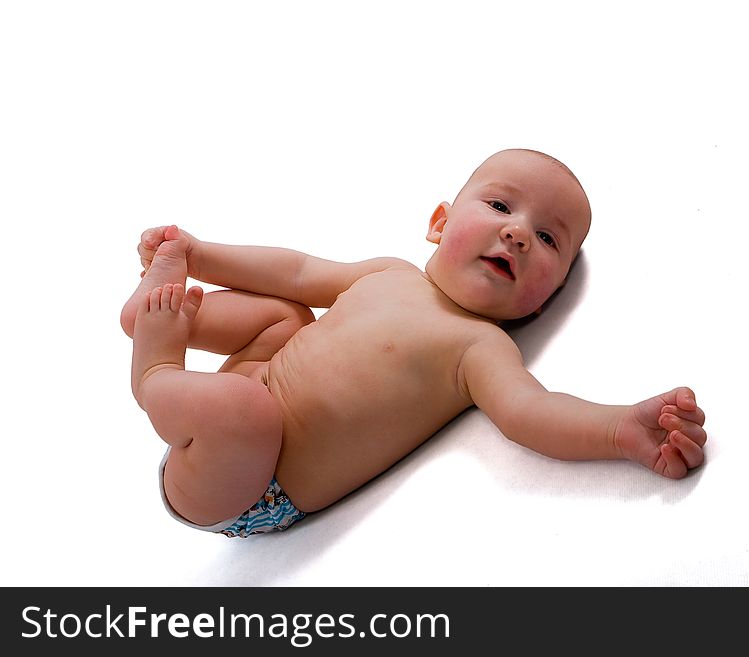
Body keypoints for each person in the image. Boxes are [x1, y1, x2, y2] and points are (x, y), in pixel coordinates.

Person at [120, 148, 707, 538]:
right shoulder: (387, 273)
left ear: (547, 300)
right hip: (238, 396)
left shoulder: (480, 350)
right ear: (439, 224)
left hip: (245, 486)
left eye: (548, 239)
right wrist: (201, 254)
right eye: (501, 206)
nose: (518, 233)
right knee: (284, 313)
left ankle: (154, 365)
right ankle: (159, 314)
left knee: (243, 408)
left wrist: (618, 427)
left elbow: (533, 412)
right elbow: (295, 269)